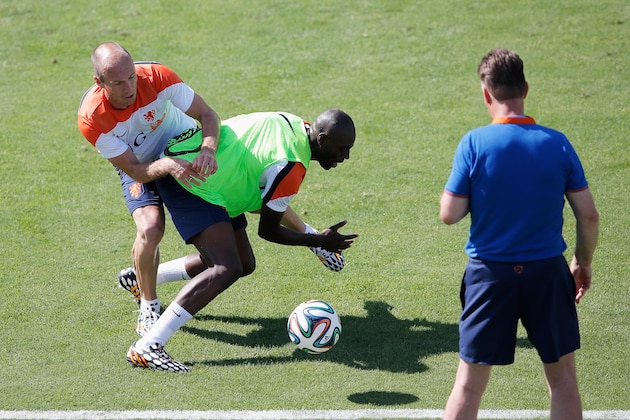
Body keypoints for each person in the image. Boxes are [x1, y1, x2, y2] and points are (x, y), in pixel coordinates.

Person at [125, 109, 358, 372]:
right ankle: (148, 346)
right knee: (226, 267)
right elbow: (269, 230)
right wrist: (317, 241)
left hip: (215, 180)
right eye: (343, 149)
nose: (345, 157)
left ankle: (143, 278)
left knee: (243, 262)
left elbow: (266, 198)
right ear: (323, 140)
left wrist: (314, 238)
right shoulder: (292, 166)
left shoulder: (293, 124)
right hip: (191, 180)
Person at [439, 48, 599, 420]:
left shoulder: (474, 144)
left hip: (489, 276)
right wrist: (582, 262)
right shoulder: (556, 142)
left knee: (468, 385)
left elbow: (450, 214)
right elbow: (588, 215)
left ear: (486, 94)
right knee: (562, 382)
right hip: (547, 273)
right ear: (525, 89)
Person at [77, 42, 221, 336]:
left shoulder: (157, 77)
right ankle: (148, 304)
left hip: (184, 147)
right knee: (151, 230)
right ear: (99, 82)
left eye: (131, 76)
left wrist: (207, 150)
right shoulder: (93, 118)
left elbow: (207, 115)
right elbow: (134, 170)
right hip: (142, 165)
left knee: (231, 234)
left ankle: (309, 234)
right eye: (117, 82)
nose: (129, 87)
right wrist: (167, 165)